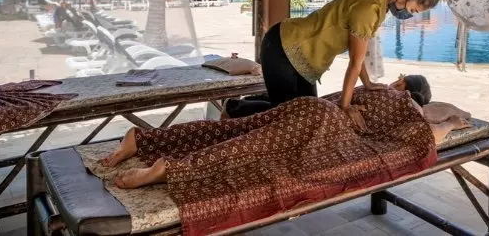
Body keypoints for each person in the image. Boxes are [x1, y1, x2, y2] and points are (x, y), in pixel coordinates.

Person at [100, 80, 470, 190]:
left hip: (310, 106)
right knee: (244, 148)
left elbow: (340, 95)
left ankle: (144, 140)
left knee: (232, 128)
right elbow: (430, 136)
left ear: (402, 83)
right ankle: (169, 168)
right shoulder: (410, 111)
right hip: (321, 124)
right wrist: (452, 122)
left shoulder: (376, 89)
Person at [226, 0, 450, 129]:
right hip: (283, 47)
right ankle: (234, 107)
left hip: (302, 56)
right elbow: (354, 62)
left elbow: (358, 53)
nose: (409, 15)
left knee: (309, 115)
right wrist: (345, 106)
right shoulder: (369, 8)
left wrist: (368, 83)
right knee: (290, 118)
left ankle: (254, 101)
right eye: (412, 10)